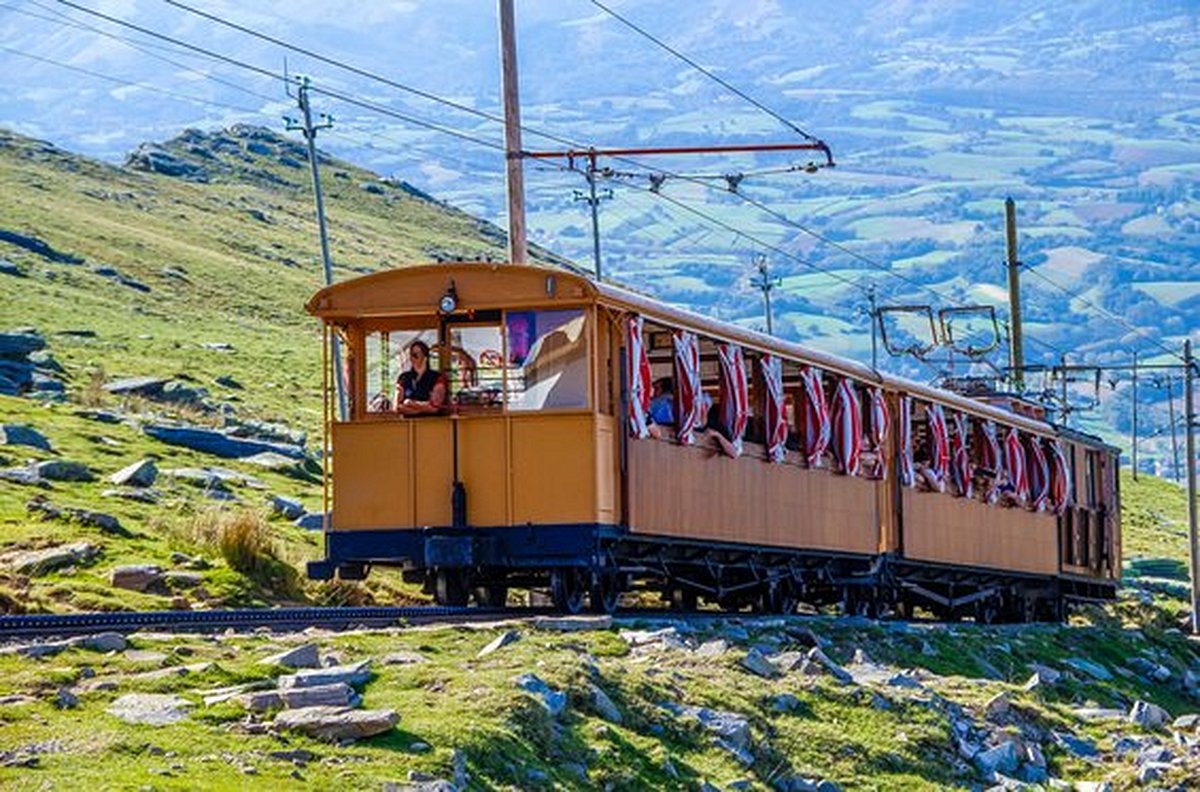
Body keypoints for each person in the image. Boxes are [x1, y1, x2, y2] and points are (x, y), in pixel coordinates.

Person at [394, 340, 447, 416]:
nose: (412, 358)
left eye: (415, 355)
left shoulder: (437, 377)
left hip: (431, 423)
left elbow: (434, 407)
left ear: (425, 357)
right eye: (410, 355)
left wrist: (410, 403)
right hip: (407, 424)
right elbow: (397, 406)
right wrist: (418, 410)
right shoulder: (403, 378)